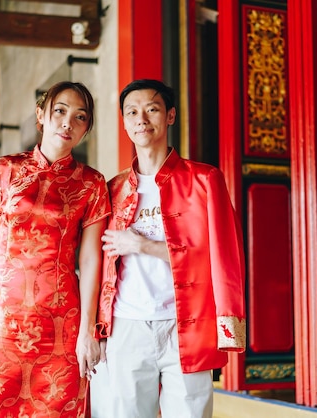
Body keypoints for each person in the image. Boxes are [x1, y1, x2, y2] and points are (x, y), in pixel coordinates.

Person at [94, 79, 246, 418]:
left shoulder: (205, 181)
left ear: (171, 115)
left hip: (186, 324)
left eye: (152, 109)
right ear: (123, 122)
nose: (141, 119)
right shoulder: (113, 189)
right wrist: (96, 329)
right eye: (132, 112)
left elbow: (222, 256)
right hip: (127, 324)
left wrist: (142, 245)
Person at [0, 81, 111, 418]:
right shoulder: (5, 170)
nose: (67, 123)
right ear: (41, 115)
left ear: (86, 129)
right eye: (60, 111)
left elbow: (91, 259)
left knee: (57, 407)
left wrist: (88, 330)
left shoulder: (91, 183)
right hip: (2, 316)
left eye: (79, 117)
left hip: (61, 322)